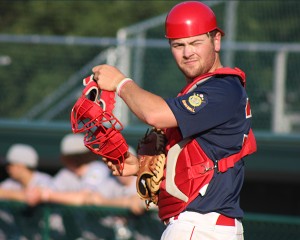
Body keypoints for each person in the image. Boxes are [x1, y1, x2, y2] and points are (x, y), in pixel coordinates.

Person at [91, 1, 257, 240]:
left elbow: (154, 114)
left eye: (196, 42)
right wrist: (139, 167)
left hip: (199, 225)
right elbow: (196, 162)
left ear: (216, 40)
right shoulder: (201, 90)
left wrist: (120, 83)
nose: (187, 52)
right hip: (208, 226)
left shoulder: (221, 89)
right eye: (178, 45)